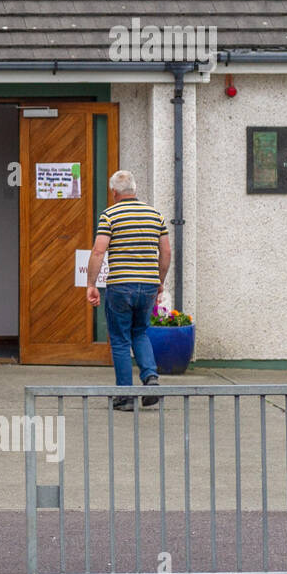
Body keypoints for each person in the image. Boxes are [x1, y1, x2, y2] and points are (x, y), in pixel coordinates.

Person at [85, 170, 171, 410]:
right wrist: (159, 280)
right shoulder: (155, 215)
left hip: (121, 286)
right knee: (140, 333)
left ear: (114, 193)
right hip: (147, 286)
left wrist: (91, 285)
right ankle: (150, 378)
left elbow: (99, 251)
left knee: (121, 340)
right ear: (135, 189)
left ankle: (125, 396)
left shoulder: (109, 215)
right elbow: (166, 252)